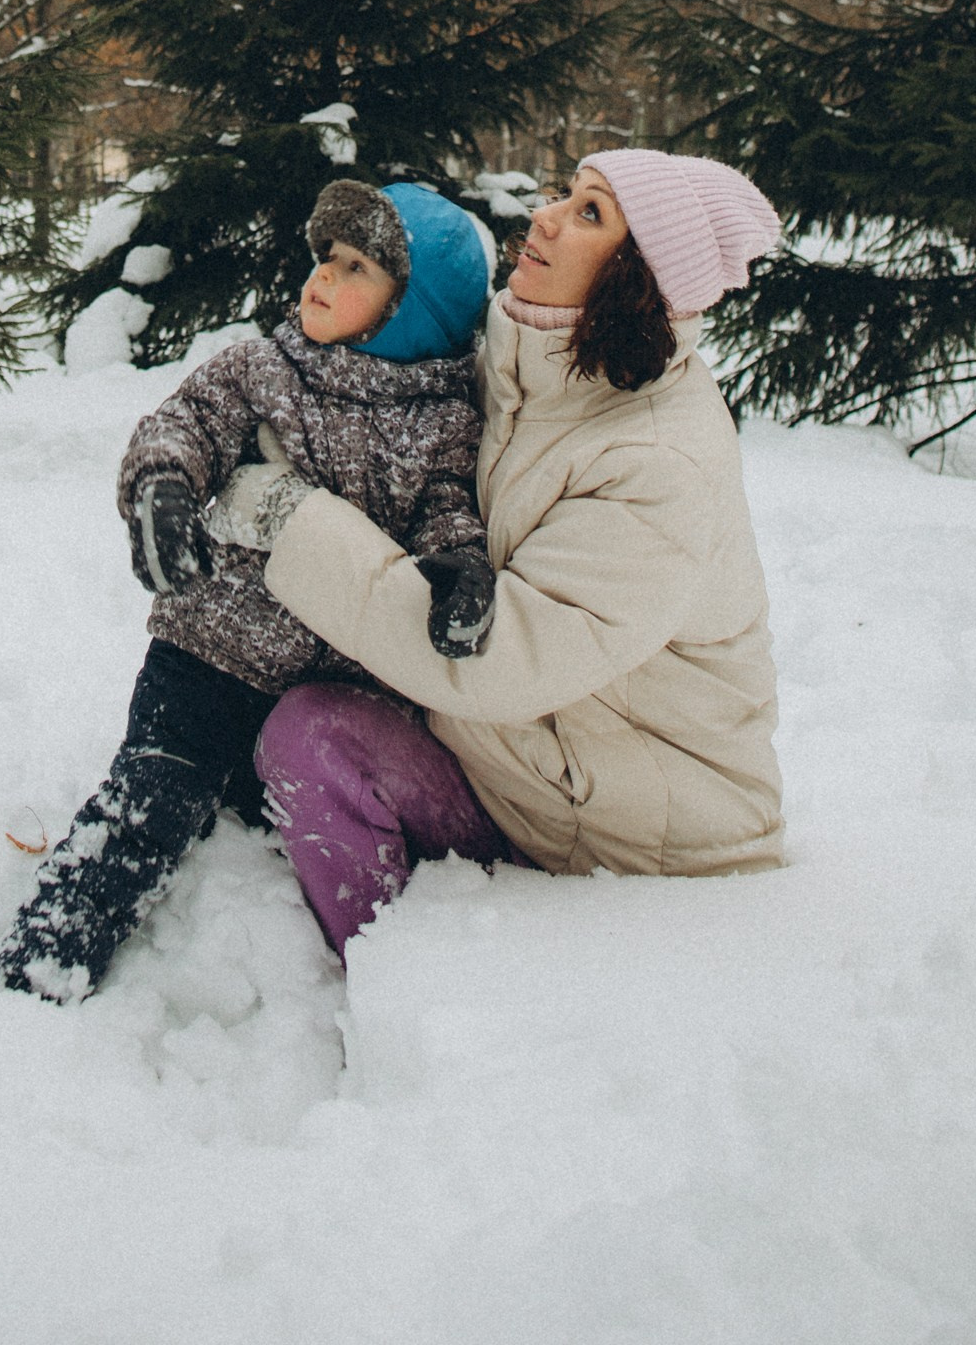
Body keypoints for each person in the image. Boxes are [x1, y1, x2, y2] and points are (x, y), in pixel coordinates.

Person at [225, 150, 785, 961]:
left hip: (635, 855)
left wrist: (285, 513)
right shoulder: (526, 368)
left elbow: (493, 662)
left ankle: (408, 995)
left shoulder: (659, 460)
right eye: (567, 193)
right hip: (542, 770)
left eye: (591, 214)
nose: (548, 215)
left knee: (312, 738)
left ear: (637, 278)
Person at [0, 177, 497, 1000]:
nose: (321, 278)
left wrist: (458, 570)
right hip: (207, 655)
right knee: (151, 799)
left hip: (325, 687)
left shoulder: (442, 422)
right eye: (325, 257)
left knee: (279, 817)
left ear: (414, 310)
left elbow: (447, 508)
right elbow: (182, 424)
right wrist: (164, 489)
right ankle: (48, 953)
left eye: (357, 268)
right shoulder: (263, 367)